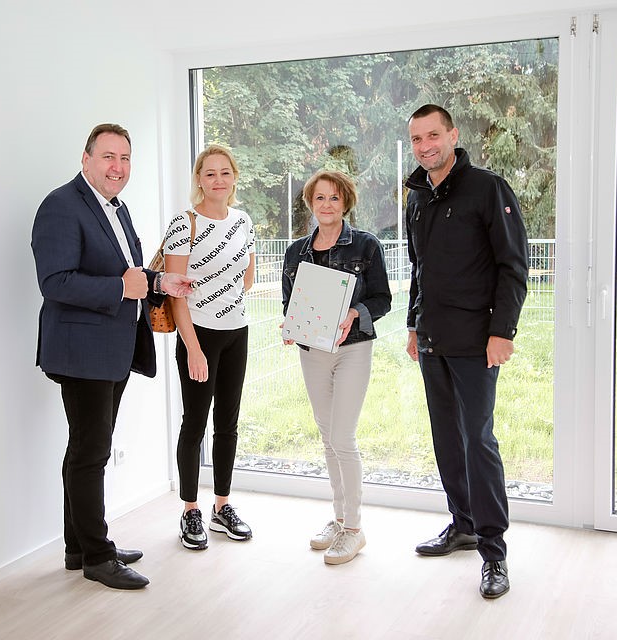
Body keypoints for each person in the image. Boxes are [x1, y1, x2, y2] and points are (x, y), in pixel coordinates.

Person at [31, 123, 194, 590]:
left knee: (84, 449)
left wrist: (159, 282)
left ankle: (79, 547)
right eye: (107, 156)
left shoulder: (115, 208)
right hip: (81, 353)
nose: (117, 167)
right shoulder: (61, 206)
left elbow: (129, 273)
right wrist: (122, 288)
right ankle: (98, 557)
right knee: (91, 453)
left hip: (111, 350)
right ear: (86, 160)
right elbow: (54, 282)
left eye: (124, 158)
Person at [404, 104, 529, 599]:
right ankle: (463, 524)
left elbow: (512, 265)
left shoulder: (487, 188)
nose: (425, 146)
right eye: (417, 139)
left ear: (453, 135)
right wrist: (414, 324)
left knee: (477, 439)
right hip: (432, 339)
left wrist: (503, 331)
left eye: (433, 135)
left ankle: (494, 551)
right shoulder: (418, 196)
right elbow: (419, 270)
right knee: (447, 438)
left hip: (477, 341)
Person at [281, 170, 392, 565]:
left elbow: (382, 299)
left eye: (334, 198)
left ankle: (355, 530)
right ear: (310, 203)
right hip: (312, 351)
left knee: (343, 437)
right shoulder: (296, 252)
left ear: (345, 202)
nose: (326, 205)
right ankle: (340, 518)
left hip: (353, 349)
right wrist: (290, 325)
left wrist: (354, 312)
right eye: (319, 198)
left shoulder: (366, 246)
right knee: (328, 437)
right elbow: (289, 302)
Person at [163, 144, 256, 550]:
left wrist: (225, 301)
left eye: (225, 172)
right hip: (198, 335)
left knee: (228, 424)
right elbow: (175, 294)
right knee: (194, 424)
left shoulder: (243, 221)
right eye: (210, 173)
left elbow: (248, 277)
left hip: (237, 332)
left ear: (234, 178)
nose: (218, 180)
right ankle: (190, 510)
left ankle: (221, 506)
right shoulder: (184, 223)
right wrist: (194, 348)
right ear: (199, 180)